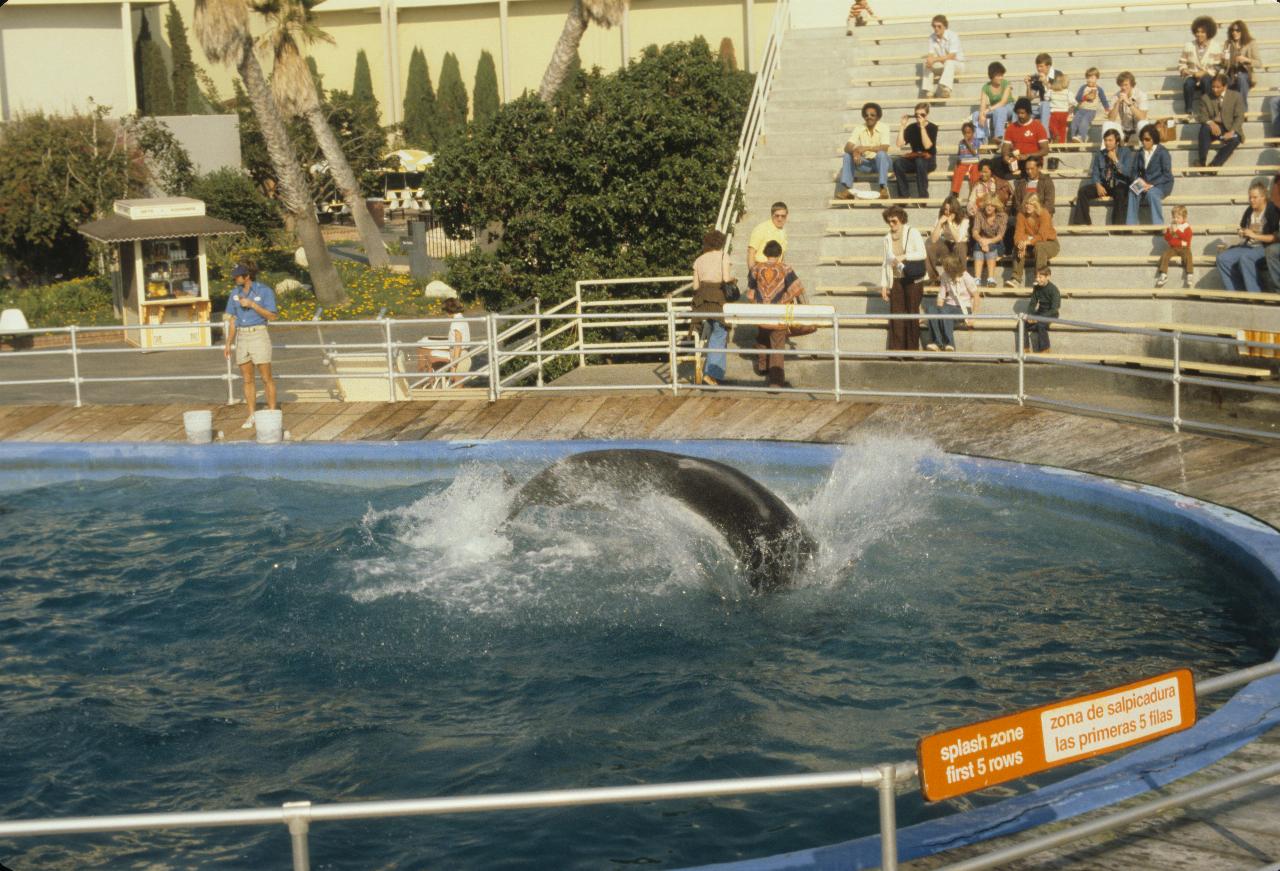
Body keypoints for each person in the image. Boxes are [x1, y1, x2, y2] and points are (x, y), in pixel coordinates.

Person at [223, 260, 278, 429]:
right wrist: (228, 343)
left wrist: (253, 305)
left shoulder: (265, 291)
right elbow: (232, 320)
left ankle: (272, 414)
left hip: (259, 334)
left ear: (247, 276)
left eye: (237, 276)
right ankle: (251, 415)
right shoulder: (234, 293)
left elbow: (273, 316)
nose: (235, 280)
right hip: (242, 337)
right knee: (247, 379)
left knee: (266, 377)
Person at [748, 240, 806, 387]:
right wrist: (784, 300)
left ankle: (762, 367)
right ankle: (775, 380)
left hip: (761, 314)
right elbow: (797, 288)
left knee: (762, 338)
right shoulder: (786, 269)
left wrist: (760, 303)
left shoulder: (756, 269)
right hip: (779, 314)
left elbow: (750, 294)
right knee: (778, 345)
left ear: (765, 253)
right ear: (780, 254)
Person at [879, 206, 928, 351]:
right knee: (896, 314)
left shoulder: (912, 232)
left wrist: (905, 256)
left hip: (912, 278)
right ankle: (896, 351)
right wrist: (884, 285)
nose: (891, 225)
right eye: (889, 222)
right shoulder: (886, 238)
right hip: (896, 279)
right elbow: (885, 262)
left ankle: (912, 351)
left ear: (901, 219)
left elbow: (922, 253)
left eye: (894, 221)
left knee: (912, 313)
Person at [1215, 182, 1280, 292]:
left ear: (1263, 197)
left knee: (1246, 258)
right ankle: (1237, 293)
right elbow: (1242, 227)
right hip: (1249, 245)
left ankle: (1255, 294)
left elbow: (1276, 238)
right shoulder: (1250, 210)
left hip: (1265, 246)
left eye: (1255, 197)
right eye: (1250, 197)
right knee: (1222, 258)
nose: (1251, 200)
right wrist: (1242, 232)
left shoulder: (1272, 210)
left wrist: (1255, 235)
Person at [690, 230, 733, 386]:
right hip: (717, 299)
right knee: (720, 333)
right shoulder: (723, 256)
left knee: (712, 330)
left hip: (701, 300)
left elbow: (695, 286)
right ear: (721, 243)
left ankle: (713, 372)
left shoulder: (699, 260)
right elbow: (726, 279)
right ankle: (711, 374)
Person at [1070, 128, 1131, 225]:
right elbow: (1095, 172)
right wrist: (1098, 184)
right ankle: (1082, 223)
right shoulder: (1100, 154)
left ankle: (1118, 227)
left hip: (1119, 184)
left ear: (1117, 142)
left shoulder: (1125, 152)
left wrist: (1115, 160)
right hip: (1104, 184)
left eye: (1110, 140)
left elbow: (1128, 172)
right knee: (1083, 191)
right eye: (1105, 140)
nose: (1107, 143)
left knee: (1121, 193)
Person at [925, 253, 980, 352]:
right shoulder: (945, 276)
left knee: (945, 311)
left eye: (946, 267)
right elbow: (941, 297)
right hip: (948, 306)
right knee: (931, 309)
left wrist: (973, 316)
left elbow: (976, 296)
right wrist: (936, 312)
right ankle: (936, 342)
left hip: (962, 308)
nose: (944, 269)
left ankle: (949, 344)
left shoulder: (966, 277)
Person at [838, 102, 892, 200]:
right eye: (866, 115)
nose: (869, 117)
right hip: (866, 164)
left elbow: (885, 148)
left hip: (881, 163)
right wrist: (855, 151)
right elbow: (847, 147)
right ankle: (848, 191)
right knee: (847, 155)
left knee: (881, 154)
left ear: (878, 117)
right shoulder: (859, 128)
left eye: (872, 115)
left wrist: (866, 148)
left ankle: (883, 189)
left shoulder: (884, 127)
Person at [1126, 124, 1173, 226]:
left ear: (1154, 139)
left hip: (1161, 184)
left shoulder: (1163, 152)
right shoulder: (1140, 152)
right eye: (1142, 139)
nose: (1144, 142)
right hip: (1144, 183)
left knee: (1152, 194)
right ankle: (1130, 225)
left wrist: (1150, 184)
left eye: (1147, 139)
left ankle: (1158, 226)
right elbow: (1133, 171)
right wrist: (1138, 181)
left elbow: (1167, 174)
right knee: (1133, 191)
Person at [416, 297, 471, 384]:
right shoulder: (462, 319)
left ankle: (432, 380)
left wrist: (454, 366)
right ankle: (438, 379)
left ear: (448, 310)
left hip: (459, 357)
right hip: (464, 354)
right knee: (458, 386)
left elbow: (458, 345)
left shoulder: (456, 323)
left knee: (457, 386)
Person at [1194, 73, 1245, 167]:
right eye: (1213, 87)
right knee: (1204, 128)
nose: (1214, 89)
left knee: (1235, 139)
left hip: (1230, 127)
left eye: (1218, 87)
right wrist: (1211, 123)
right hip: (1214, 128)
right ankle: (1201, 161)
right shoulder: (1205, 98)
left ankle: (1215, 164)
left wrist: (1232, 131)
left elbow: (1239, 117)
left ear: (1225, 87)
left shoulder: (1236, 96)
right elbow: (1202, 116)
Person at [1009, 195, 1059, 287]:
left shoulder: (1044, 214)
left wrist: (1026, 242)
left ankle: (1039, 278)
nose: (1027, 206)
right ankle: (1016, 278)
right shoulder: (1021, 215)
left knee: (1039, 246)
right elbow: (1018, 234)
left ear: (1036, 204)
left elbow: (1042, 236)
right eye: (1026, 204)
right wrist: (1021, 244)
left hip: (1049, 243)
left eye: (1031, 204)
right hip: (1030, 245)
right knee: (1017, 246)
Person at [893, 103, 939, 200]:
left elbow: (927, 146)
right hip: (915, 159)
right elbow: (899, 144)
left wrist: (922, 127)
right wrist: (902, 126)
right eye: (917, 115)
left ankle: (923, 197)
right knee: (897, 163)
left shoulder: (933, 127)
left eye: (922, 115)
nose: (919, 117)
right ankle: (904, 196)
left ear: (927, 115)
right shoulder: (911, 128)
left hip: (929, 160)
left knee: (920, 161)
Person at [1178, 15, 1223, 115]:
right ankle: (1188, 110)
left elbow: (1218, 66)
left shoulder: (1215, 46)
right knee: (1188, 84)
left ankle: (1206, 108)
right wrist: (1184, 70)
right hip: (1192, 76)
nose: (1199, 34)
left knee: (1206, 80)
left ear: (1209, 33)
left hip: (1209, 77)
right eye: (1197, 32)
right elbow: (1182, 63)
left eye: (1202, 32)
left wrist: (1205, 72)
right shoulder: (1188, 45)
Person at [999, 98, 1049, 180]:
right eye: (1018, 113)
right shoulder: (1011, 127)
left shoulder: (1038, 126)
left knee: (1029, 163)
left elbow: (1045, 150)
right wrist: (1006, 157)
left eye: (1022, 113)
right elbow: (1005, 148)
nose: (1020, 115)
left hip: (1032, 160)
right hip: (1017, 160)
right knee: (994, 162)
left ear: (1029, 113)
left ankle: (1021, 177)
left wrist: (1028, 155)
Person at [926, 195, 969, 281]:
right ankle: (933, 277)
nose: (947, 212)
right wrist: (939, 223)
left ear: (955, 210)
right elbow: (933, 240)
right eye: (946, 209)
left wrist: (949, 223)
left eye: (950, 210)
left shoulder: (964, 220)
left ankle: (962, 276)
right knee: (929, 244)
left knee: (959, 246)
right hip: (946, 244)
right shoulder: (941, 218)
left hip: (960, 244)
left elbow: (958, 239)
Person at [921, 14, 964, 99]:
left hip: (957, 65)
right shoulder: (931, 37)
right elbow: (931, 54)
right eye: (934, 26)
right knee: (927, 63)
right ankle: (929, 92)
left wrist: (935, 59)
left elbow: (952, 56)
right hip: (943, 65)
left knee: (949, 62)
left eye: (939, 26)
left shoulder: (953, 36)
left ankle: (946, 89)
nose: (936, 28)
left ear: (945, 26)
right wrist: (930, 60)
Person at [1020, 266, 1061, 354]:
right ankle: (1025, 349)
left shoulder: (1054, 290)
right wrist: (1030, 315)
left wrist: (1038, 318)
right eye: (1036, 277)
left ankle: (1045, 350)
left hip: (1051, 314)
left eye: (1040, 277)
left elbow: (1054, 309)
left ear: (1048, 276)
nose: (1037, 279)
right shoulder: (1036, 287)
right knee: (1022, 323)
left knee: (1040, 325)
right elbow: (1032, 304)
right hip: (1040, 312)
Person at [1025, 53, 1068, 133]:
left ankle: (1045, 135)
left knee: (1045, 104)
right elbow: (1030, 98)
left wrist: (1045, 82)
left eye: (1041, 66)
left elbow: (1061, 94)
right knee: (1022, 109)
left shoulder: (1058, 75)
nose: (1038, 69)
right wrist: (1028, 86)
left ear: (1048, 66)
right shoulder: (1037, 77)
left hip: (1057, 106)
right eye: (1037, 66)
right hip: (1042, 107)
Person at [1155, 205, 1195, 288]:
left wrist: (1177, 231)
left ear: (1184, 218)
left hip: (1184, 247)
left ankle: (1189, 273)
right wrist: (1167, 233)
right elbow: (1167, 239)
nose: (1176, 219)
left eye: (1178, 217)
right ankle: (1163, 274)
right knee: (1165, 255)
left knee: (1188, 256)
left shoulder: (1186, 227)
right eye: (1174, 217)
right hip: (1173, 247)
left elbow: (1186, 238)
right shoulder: (1172, 225)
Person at [971, 198, 1007, 287]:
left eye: (992, 206)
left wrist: (988, 242)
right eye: (987, 205)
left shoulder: (1002, 216)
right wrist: (981, 240)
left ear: (996, 207)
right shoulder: (979, 214)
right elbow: (975, 232)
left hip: (997, 243)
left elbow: (1000, 236)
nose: (989, 208)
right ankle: (977, 279)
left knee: (991, 247)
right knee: (977, 245)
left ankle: (990, 278)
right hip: (982, 242)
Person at [976, 61, 1016, 143]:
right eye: (998, 75)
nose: (1001, 77)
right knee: (976, 115)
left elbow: (1003, 102)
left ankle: (999, 137)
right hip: (995, 109)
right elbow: (983, 105)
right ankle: (982, 141)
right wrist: (981, 115)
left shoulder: (1006, 83)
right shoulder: (986, 87)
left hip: (1009, 107)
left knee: (999, 110)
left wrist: (988, 109)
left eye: (1002, 75)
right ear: (992, 76)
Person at [1222, 20, 1258, 110]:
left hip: (1245, 74)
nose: (1234, 33)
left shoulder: (1250, 43)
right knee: (1220, 81)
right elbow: (1224, 64)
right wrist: (1223, 59)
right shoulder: (1228, 43)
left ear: (1243, 31)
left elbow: (1259, 63)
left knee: (1241, 78)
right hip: (1231, 73)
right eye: (1232, 30)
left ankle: (1243, 110)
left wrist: (1246, 59)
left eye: (1237, 30)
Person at [1069, 67, 1110, 143]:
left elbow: (1104, 100)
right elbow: (1077, 98)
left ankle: (1082, 137)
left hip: (1091, 111)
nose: (1089, 80)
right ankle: (1073, 139)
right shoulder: (1083, 87)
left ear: (1096, 78)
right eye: (1088, 78)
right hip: (1081, 110)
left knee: (1084, 122)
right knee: (1074, 123)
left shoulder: (1099, 89)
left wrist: (1107, 109)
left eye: (1092, 78)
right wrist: (1085, 97)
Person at [1107, 72, 1150, 143]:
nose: (1123, 87)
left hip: (1137, 130)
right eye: (1121, 85)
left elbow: (1143, 117)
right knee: (1107, 124)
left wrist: (1129, 103)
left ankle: (1145, 153)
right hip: (1123, 130)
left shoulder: (1141, 95)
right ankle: (1106, 153)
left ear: (1132, 84)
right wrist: (1117, 103)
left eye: (1126, 85)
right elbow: (1111, 119)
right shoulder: (1116, 96)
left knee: (1143, 124)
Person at [747, 202, 788, 267]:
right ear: (772, 215)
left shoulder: (783, 231)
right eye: (777, 216)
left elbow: (781, 255)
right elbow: (751, 252)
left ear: (786, 216)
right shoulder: (761, 228)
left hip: (776, 268)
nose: (780, 219)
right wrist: (751, 273)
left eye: (783, 216)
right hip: (761, 267)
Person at [950, 121, 983, 197]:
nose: (967, 135)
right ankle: (955, 191)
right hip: (963, 162)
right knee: (958, 171)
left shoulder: (976, 141)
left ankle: (974, 190)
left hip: (973, 162)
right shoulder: (961, 142)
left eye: (969, 132)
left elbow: (974, 152)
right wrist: (957, 163)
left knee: (975, 172)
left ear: (973, 132)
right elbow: (959, 154)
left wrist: (967, 142)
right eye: (965, 133)